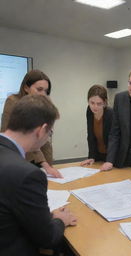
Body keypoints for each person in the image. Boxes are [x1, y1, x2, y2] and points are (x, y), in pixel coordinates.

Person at [0, 95, 77, 255]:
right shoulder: (27, 175)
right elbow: (47, 238)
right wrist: (60, 220)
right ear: (41, 131)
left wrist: (47, 216)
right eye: (50, 132)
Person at [1, 69, 61, 178]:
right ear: (26, 88)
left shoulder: (44, 104)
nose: (43, 94)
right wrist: (45, 165)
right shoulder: (13, 102)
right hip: (20, 157)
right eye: (39, 89)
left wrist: (48, 164)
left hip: (41, 155)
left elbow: (44, 137)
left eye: (46, 91)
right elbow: (22, 137)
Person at [80, 85, 113, 166]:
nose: (95, 107)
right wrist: (91, 157)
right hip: (98, 155)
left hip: (111, 156)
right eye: (92, 103)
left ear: (104, 103)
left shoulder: (110, 114)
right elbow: (90, 135)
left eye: (99, 103)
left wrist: (110, 160)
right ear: (88, 101)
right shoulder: (89, 111)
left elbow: (113, 140)